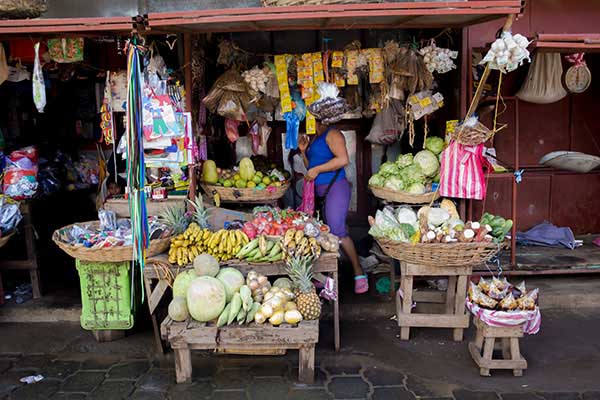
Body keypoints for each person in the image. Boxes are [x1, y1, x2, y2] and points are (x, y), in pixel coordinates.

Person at [298, 121, 369, 294]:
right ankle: (327, 276)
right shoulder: (315, 138)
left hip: (336, 187)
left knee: (337, 231)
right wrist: (303, 151)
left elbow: (343, 159)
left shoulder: (333, 134)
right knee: (320, 232)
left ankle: (358, 272)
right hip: (319, 192)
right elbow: (311, 168)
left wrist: (317, 170)